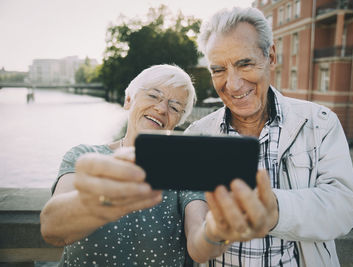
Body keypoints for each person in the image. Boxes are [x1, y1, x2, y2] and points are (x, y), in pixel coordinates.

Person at [184, 7, 353, 266]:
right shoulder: (197, 136)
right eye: (219, 70)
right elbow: (196, 232)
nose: (232, 84)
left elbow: (344, 208)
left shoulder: (319, 123)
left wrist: (273, 211)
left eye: (244, 63)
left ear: (271, 56)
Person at [40, 64, 224, 266]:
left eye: (174, 107)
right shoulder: (83, 157)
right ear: (129, 100)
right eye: (154, 96)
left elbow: (199, 241)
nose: (161, 108)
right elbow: (52, 228)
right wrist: (104, 198)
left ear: (178, 121)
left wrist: (217, 231)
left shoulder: (184, 170)